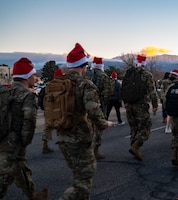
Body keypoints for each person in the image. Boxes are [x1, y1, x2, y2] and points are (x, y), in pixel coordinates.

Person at [56, 43, 115, 199]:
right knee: (84, 180)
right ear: (83, 66)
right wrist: (104, 123)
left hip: (62, 135)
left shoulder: (58, 83)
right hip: (79, 137)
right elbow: (93, 109)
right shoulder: (85, 84)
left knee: (78, 175)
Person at [0, 58, 49, 199]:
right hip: (12, 143)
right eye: (34, 75)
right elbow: (29, 122)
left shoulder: (4, 92)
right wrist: (24, 142)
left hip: (2, 136)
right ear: (27, 77)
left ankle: (32, 195)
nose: (36, 78)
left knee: (20, 167)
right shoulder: (28, 95)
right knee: (4, 179)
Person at [122, 54, 158, 161]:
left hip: (129, 105)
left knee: (134, 127)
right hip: (141, 105)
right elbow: (152, 92)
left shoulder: (128, 74)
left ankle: (134, 148)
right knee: (145, 127)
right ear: (144, 64)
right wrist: (155, 105)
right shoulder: (146, 75)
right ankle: (136, 146)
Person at [87, 56, 111, 159]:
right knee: (98, 128)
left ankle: (87, 150)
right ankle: (95, 151)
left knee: (87, 127)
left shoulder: (87, 74)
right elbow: (106, 93)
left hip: (86, 105)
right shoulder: (104, 76)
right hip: (98, 105)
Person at [39, 68, 64, 154]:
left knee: (47, 127)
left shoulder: (48, 86)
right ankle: (62, 144)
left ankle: (45, 145)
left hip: (49, 111)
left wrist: (44, 108)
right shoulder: (63, 86)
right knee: (61, 126)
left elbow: (41, 97)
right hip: (60, 110)